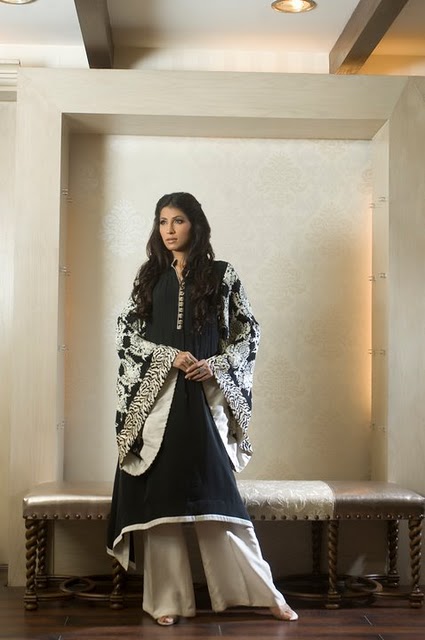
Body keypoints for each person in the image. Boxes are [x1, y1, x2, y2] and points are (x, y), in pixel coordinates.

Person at [107, 192, 298, 626]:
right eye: (162, 222)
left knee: (219, 501)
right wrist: (167, 356)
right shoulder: (149, 277)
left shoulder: (222, 275)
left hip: (205, 401)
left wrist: (215, 365)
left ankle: (264, 595)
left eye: (178, 220)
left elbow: (249, 334)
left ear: (196, 224)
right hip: (158, 404)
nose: (169, 230)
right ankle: (168, 602)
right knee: (162, 508)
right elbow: (126, 336)